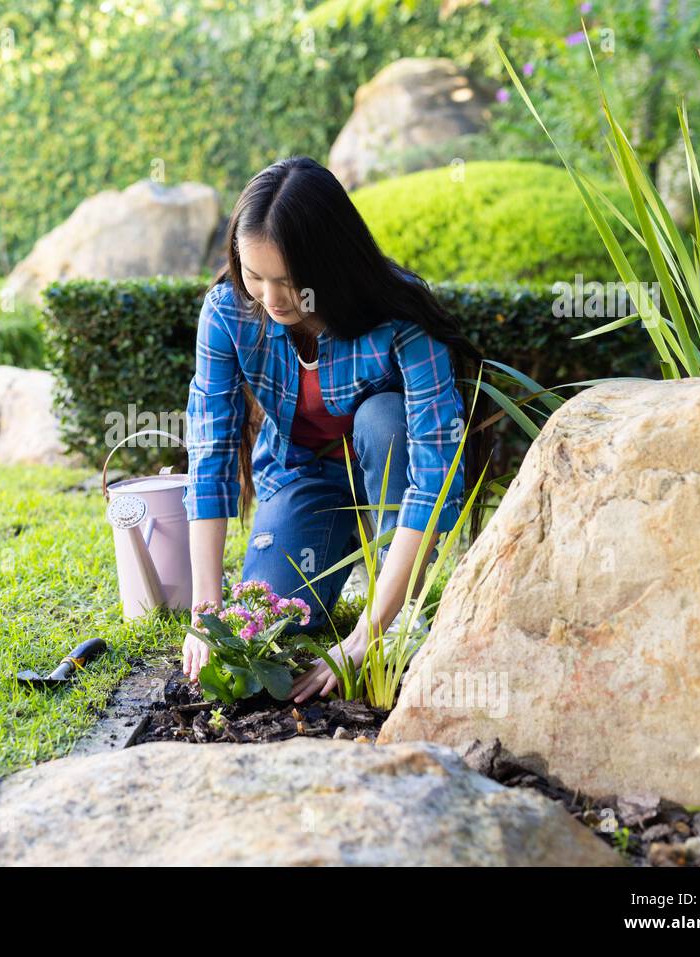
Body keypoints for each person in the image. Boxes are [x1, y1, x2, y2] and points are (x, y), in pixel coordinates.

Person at [180, 155, 494, 703]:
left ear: (329, 264)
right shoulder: (228, 311)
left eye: (288, 281)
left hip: (385, 461)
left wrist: (366, 634)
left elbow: (434, 475)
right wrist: (206, 613)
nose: (271, 299)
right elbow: (210, 452)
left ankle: (395, 594)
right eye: (255, 276)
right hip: (303, 471)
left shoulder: (400, 318)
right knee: (278, 614)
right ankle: (342, 551)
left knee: (383, 418)